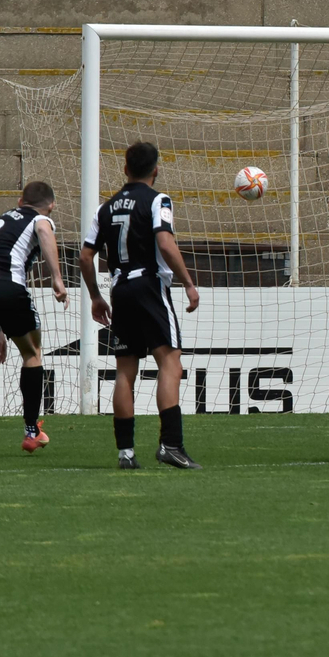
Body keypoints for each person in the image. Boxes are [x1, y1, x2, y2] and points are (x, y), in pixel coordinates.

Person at [80, 142, 203, 470]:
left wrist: (95, 295)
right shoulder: (158, 199)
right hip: (149, 285)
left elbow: (85, 256)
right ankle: (171, 445)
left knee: (125, 371)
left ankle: (126, 453)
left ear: (125, 169)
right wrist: (189, 283)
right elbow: (165, 241)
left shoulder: (103, 209)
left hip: (119, 289)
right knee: (169, 362)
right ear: (156, 170)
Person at [0, 182, 68, 452]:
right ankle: (31, 430)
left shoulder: (0, 220)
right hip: (9, 286)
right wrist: (57, 279)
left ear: (20, 199)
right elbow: (44, 230)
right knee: (32, 353)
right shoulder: (40, 218)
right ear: (51, 205)